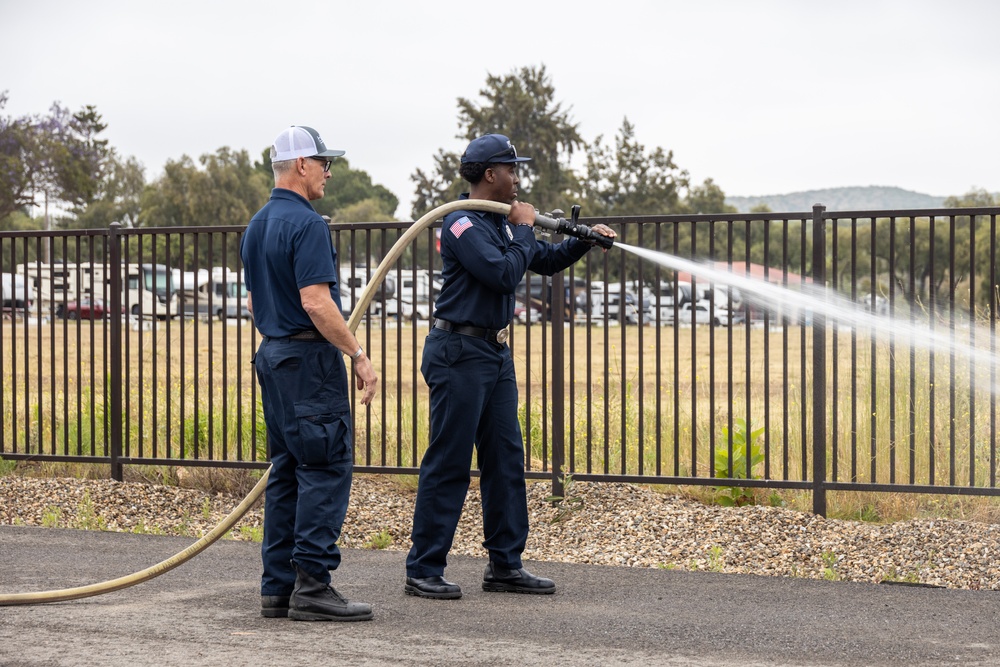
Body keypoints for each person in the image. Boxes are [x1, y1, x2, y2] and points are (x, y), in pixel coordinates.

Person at [404, 134, 616, 599]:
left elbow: (541, 260)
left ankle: (505, 565)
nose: (518, 178)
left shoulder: (498, 222)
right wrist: (522, 229)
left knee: (505, 459)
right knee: (451, 461)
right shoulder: (461, 225)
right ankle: (423, 568)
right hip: (458, 352)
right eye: (512, 170)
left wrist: (585, 241)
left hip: (494, 354)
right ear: (489, 175)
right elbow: (502, 273)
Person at [240, 125, 378, 622]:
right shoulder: (310, 225)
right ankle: (314, 586)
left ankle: (277, 589)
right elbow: (316, 302)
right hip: (307, 362)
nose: (328, 172)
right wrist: (358, 355)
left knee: (287, 472)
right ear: (301, 165)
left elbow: (255, 303)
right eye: (324, 162)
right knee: (324, 467)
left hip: (273, 356)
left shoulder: (256, 225)